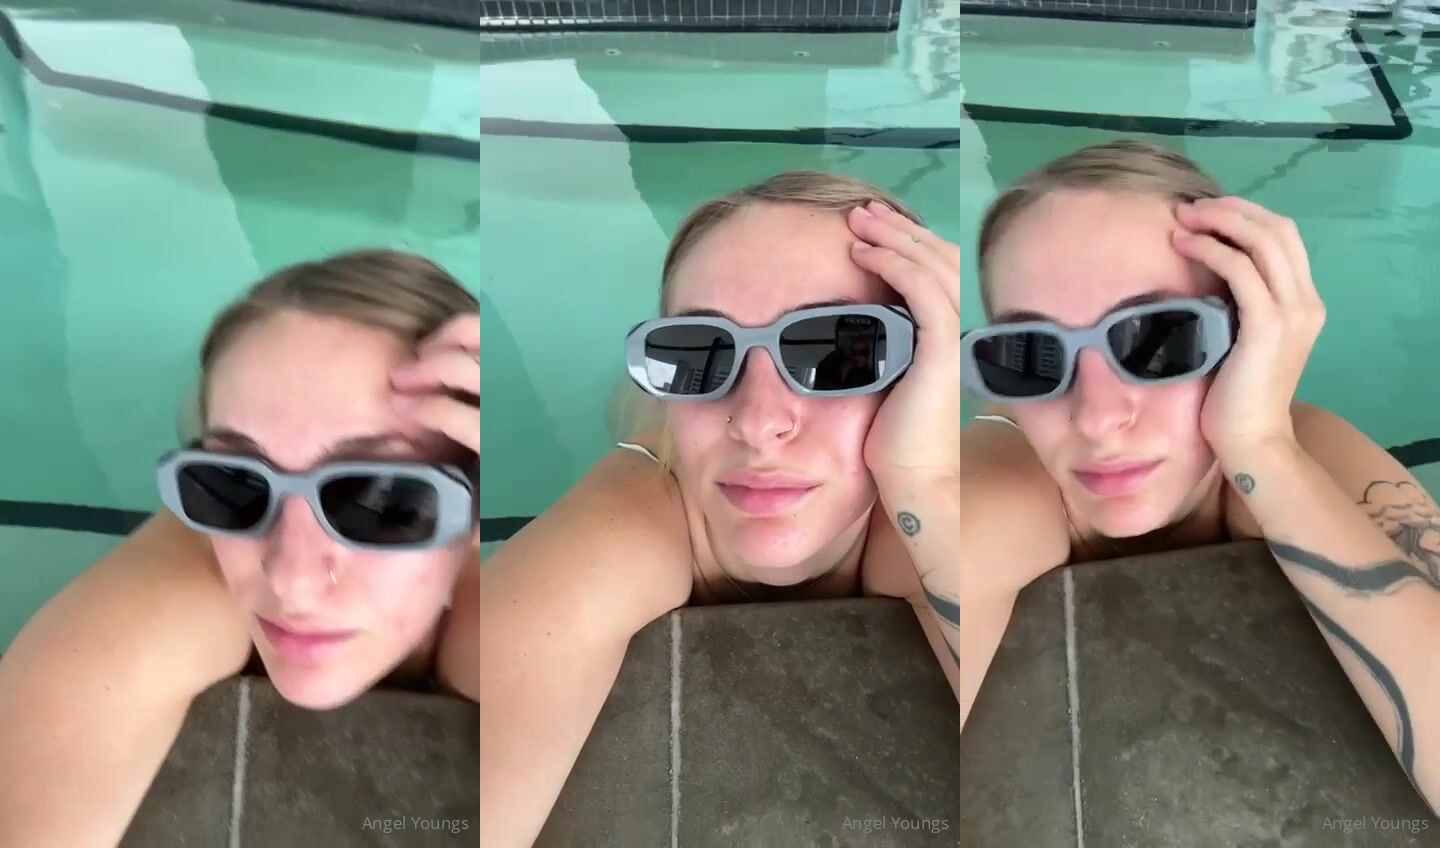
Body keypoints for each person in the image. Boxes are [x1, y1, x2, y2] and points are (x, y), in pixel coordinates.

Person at [480, 171, 962, 846]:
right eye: (696, 352)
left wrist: (924, 483)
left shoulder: (921, 496)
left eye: (835, 352)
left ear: (920, 372)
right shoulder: (623, 531)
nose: (758, 422)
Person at [958, 139, 1437, 815]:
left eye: (1160, 341)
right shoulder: (1006, 480)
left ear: (1252, 334)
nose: (1096, 417)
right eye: (1027, 354)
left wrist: (1260, 446)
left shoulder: (1305, 446)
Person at [0, 250, 481, 846]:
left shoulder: (496, 591)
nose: (289, 578)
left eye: (383, 499)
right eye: (232, 483)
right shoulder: (176, 597)